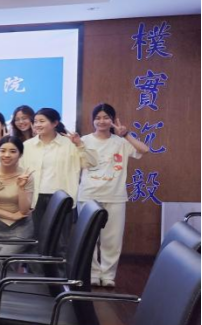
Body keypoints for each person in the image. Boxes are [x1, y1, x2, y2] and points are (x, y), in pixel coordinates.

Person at [79, 104, 149, 288]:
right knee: (89, 237)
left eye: (106, 117)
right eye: (98, 118)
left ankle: (108, 275)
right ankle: (93, 273)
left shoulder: (121, 142)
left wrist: (126, 134)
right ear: (92, 120)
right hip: (88, 195)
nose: (102, 121)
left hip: (115, 195)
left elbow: (144, 150)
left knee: (112, 239)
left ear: (112, 120)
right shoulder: (84, 141)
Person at [21, 108, 98, 240]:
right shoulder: (27, 145)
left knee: (61, 241)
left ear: (55, 123)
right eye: (35, 121)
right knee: (38, 239)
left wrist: (79, 144)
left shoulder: (70, 144)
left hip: (62, 198)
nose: (37, 124)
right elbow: (21, 171)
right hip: (35, 198)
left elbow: (91, 163)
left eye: (42, 121)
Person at [0, 136, 34, 254]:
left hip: (20, 228)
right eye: (2, 151)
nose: (7, 155)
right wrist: (12, 216)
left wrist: (21, 187)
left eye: (13, 151)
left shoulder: (26, 176)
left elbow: (24, 210)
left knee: (2, 258)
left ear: (20, 154)